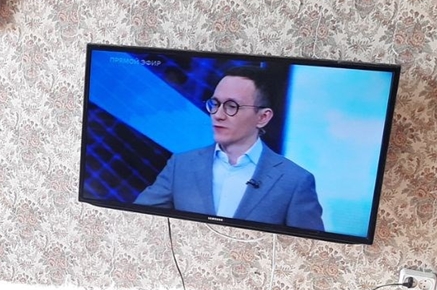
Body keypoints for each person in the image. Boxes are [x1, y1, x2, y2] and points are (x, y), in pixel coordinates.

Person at [133, 66, 323, 231]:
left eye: (232, 106)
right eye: (215, 104)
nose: (218, 115)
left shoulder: (294, 181)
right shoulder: (181, 165)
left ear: (262, 117)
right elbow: (136, 220)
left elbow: (309, 250)